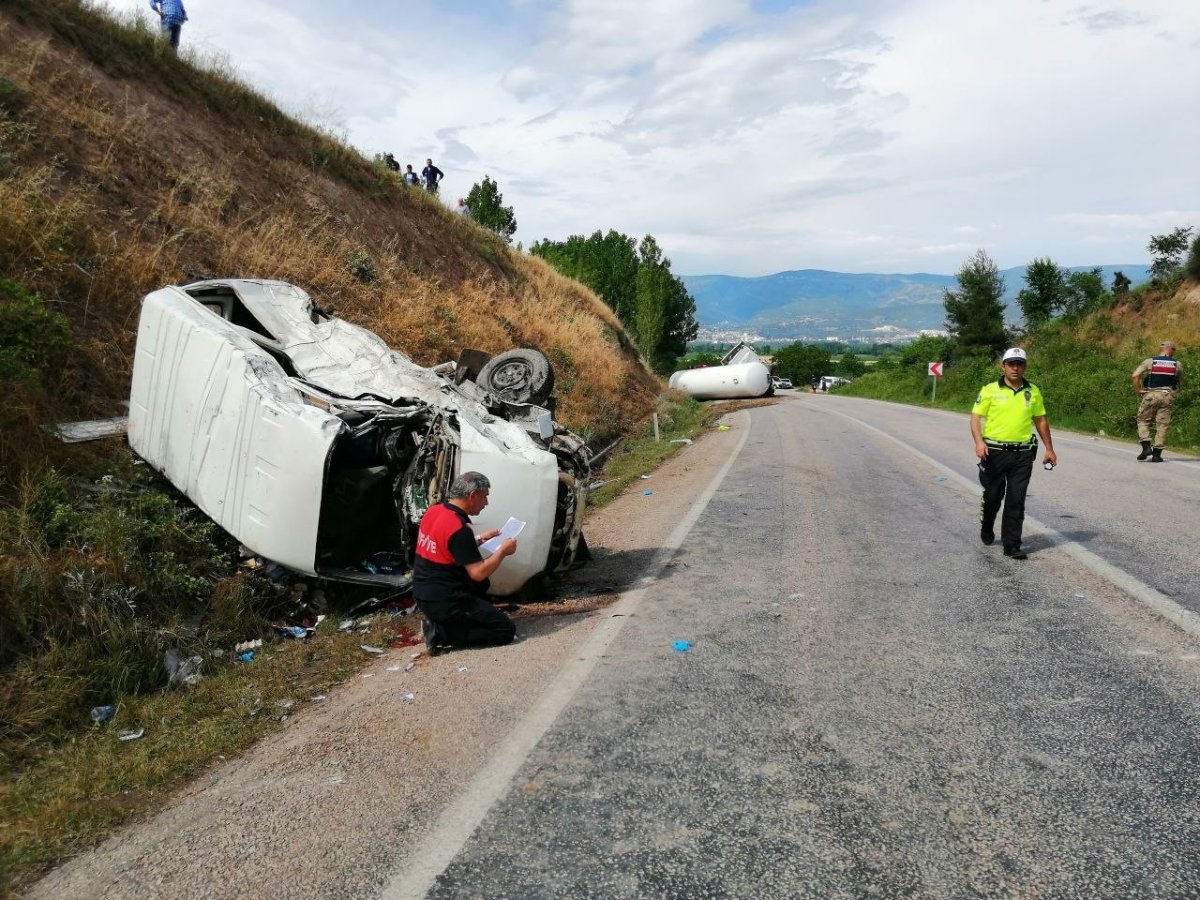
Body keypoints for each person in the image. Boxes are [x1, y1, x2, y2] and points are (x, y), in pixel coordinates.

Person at [412, 471, 517, 655]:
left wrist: (478, 540)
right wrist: (503, 551)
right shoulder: (459, 528)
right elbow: (478, 573)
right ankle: (440, 632)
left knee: (482, 587)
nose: (486, 503)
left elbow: (445, 544)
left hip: (423, 591)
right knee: (504, 630)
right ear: (472, 496)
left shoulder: (434, 511)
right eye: (485, 497)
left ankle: (451, 620)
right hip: (445, 599)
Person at [970, 347, 1057, 560]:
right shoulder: (990, 390)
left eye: (1020, 364)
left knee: (1016, 499)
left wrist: (1049, 449)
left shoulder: (1033, 391)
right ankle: (987, 523)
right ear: (1003, 366)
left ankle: (1012, 544)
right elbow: (975, 417)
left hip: (1022, 454)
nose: (1015, 368)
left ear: (1024, 367)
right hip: (994, 452)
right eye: (1011, 364)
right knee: (993, 496)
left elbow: (1041, 420)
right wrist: (979, 442)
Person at [1131, 340, 1182, 462]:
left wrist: (1139, 390)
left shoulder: (1150, 361)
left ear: (1161, 349)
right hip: (1168, 396)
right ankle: (1157, 455)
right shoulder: (1177, 364)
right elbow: (1178, 381)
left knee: (1142, 420)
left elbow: (1135, 375)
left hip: (1152, 394)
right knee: (1162, 424)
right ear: (1172, 350)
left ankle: (1146, 446)